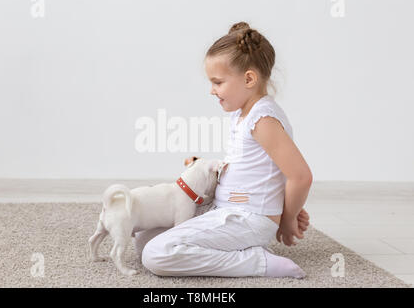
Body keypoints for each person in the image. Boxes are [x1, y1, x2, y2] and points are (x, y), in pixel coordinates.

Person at [134, 21, 313, 278]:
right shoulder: (244, 114)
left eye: (218, 82)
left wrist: (287, 216)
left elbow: (300, 176)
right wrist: (283, 202)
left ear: (249, 79)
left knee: (156, 254)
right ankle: (234, 251)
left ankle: (257, 262)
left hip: (248, 218)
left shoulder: (263, 120)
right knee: (143, 238)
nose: (212, 90)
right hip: (227, 210)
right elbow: (264, 171)